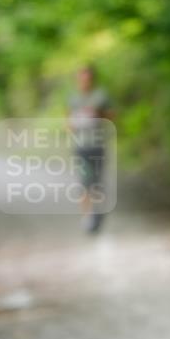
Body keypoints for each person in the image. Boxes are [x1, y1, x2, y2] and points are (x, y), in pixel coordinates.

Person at [66, 64, 115, 234]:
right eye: (81, 78)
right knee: (84, 182)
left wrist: (98, 114)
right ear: (77, 79)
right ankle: (87, 217)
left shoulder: (101, 96)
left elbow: (112, 116)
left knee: (97, 182)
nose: (84, 81)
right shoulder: (73, 98)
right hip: (80, 147)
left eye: (87, 78)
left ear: (92, 79)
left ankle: (97, 211)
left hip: (98, 145)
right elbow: (68, 123)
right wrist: (75, 122)